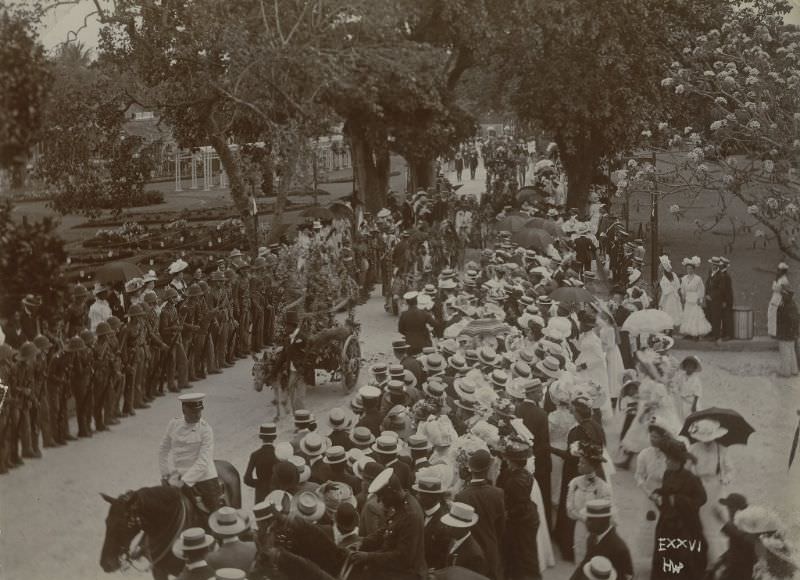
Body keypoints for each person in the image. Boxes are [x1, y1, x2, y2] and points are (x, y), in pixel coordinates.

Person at [349, 469, 427, 580]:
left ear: (393, 492)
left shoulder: (411, 515)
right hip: (392, 565)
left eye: (382, 496)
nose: (379, 501)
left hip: (407, 572)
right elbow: (386, 530)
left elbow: (403, 557)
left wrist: (368, 556)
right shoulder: (400, 504)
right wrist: (363, 541)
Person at [158, 393, 224, 513]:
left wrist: (185, 481)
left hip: (203, 477)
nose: (198, 415)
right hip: (178, 476)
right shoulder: (174, 424)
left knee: (214, 516)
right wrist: (165, 474)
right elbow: (163, 450)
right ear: (184, 410)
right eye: (193, 412)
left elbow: (203, 461)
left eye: (199, 411)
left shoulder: (205, 429)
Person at [651, 439, 707, 580]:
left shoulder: (692, 479)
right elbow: (665, 491)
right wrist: (657, 494)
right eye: (666, 459)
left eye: (669, 460)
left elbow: (701, 499)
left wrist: (678, 500)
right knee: (664, 556)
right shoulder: (667, 474)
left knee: (683, 558)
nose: (666, 462)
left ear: (678, 462)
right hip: (666, 524)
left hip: (685, 527)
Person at [687, 418, 735, 563]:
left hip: (716, 488)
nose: (707, 442)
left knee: (715, 522)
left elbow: (730, 469)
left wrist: (726, 478)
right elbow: (687, 468)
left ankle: (715, 560)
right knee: (698, 521)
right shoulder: (694, 449)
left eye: (710, 439)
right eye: (704, 439)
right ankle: (697, 558)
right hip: (698, 487)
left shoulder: (722, 450)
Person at [455, 449, 505, 580]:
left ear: (470, 469)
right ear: (487, 469)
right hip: (491, 547)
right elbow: (501, 526)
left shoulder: (462, 496)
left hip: (470, 550)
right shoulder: (498, 493)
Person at [499, 441, 541, 580]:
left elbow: (518, 506)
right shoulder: (525, 474)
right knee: (526, 554)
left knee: (521, 555)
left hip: (519, 522)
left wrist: (506, 514)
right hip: (527, 517)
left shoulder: (515, 480)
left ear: (512, 461)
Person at [566, 443, 613, 566]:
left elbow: (606, 513)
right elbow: (569, 509)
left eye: (582, 463)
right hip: (580, 527)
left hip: (597, 530)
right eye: (579, 462)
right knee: (580, 556)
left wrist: (593, 523)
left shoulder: (603, 487)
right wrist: (583, 519)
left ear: (592, 466)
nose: (578, 465)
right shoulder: (574, 483)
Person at [569, 500, 633, 580]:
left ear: (603, 521)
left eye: (590, 520)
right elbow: (585, 563)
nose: (586, 522)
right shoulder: (591, 538)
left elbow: (627, 576)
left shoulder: (619, 548)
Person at [412, 471, 450, 571]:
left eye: (421, 494)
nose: (417, 496)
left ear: (434, 497)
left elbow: (443, 554)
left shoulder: (444, 521)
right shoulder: (418, 512)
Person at [440, 502, 488, 575]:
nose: (448, 528)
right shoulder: (455, 539)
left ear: (465, 528)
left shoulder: (475, 555)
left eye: (453, 526)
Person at [244, 423, 278, 504]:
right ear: (275, 437)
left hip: (261, 495)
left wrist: (260, 484)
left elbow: (247, 479)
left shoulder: (255, 455)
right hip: (276, 493)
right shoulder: (278, 454)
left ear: (261, 437)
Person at [679, 257, 711, 339]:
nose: (689, 270)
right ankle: (688, 333)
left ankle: (696, 334)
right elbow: (682, 289)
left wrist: (700, 299)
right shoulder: (684, 279)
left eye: (691, 269)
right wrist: (683, 296)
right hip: (687, 299)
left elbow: (701, 290)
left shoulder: (698, 279)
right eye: (688, 269)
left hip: (695, 299)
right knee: (688, 316)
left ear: (694, 269)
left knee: (695, 316)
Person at [776, 288, 800, 377]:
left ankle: (785, 371)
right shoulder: (793, 304)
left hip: (785, 333)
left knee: (784, 351)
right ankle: (794, 370)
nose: (781, 296)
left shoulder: (785, 306)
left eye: (783, 295)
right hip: (792, 333)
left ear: (786, 296)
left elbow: (782, 319)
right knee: (791, 351)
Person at [657, 256, 682, 330]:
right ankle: (669, 330)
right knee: (671, 314)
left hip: (668, 298)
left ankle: (667, 331)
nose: (659, 267)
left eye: (661, 265)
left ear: (664, 267)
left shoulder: (664, 278)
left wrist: (661, 302)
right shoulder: (673, 275)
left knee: (667, 313)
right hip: (674, 297)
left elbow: (665, 292)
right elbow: (677, 286)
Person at [768, 263, 792, 337]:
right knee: (771, 314)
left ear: (783, 271)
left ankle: (776, 333)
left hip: (779, 299)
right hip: (775, 297)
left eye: (779, 270)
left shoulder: (784, 280)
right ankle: (772, 332)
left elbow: (786, 290)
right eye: (778, 270)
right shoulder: (778, 278)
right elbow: (774, 288)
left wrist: (782, 292)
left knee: (776, 316)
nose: (778, 271)